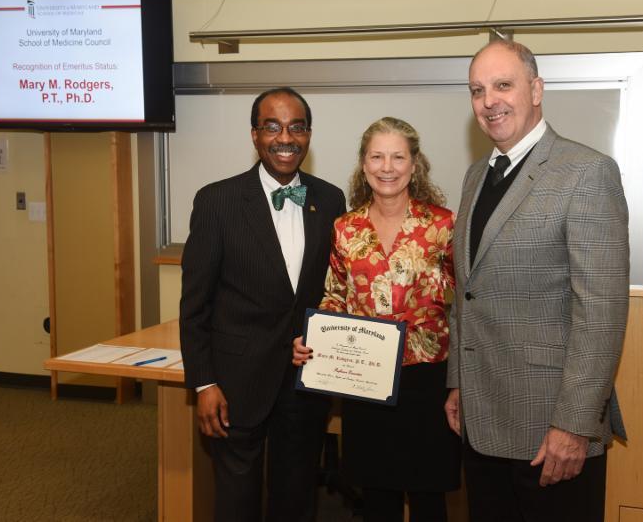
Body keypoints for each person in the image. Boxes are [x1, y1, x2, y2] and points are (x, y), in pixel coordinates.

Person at [444, 39, 629, 522]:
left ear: (537, 88)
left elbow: (601, 314)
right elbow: (467, 291)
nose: (490, 101)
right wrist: (457, 383)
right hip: (482, 423)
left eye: (503, 85)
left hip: (551, 432)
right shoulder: (474, 177)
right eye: (477, 90)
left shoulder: (586, 172)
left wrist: (575, 425)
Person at [180, 87, 346, 522]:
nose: (284, 137)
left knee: (296, 498)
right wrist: (203, 383)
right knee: (237, 500)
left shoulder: (331, 200)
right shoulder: (217, 201)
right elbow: (195, 305)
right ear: (254, 135)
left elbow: (334, 290)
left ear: (309, 135)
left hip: (304, 378)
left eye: (296, 127)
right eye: (272, 126)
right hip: (236, 381)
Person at [295, 117, 461, 522]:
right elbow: (334, 295)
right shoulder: (345, 229)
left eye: (398, 157)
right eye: (377, 156)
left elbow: (467, 300)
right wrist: (313, 341)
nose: (387, 167)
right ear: (363, 164)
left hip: (428, 379)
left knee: (428, 497)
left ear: (414, 164)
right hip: (365, 379)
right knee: (377, 496)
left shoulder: (442, 225)